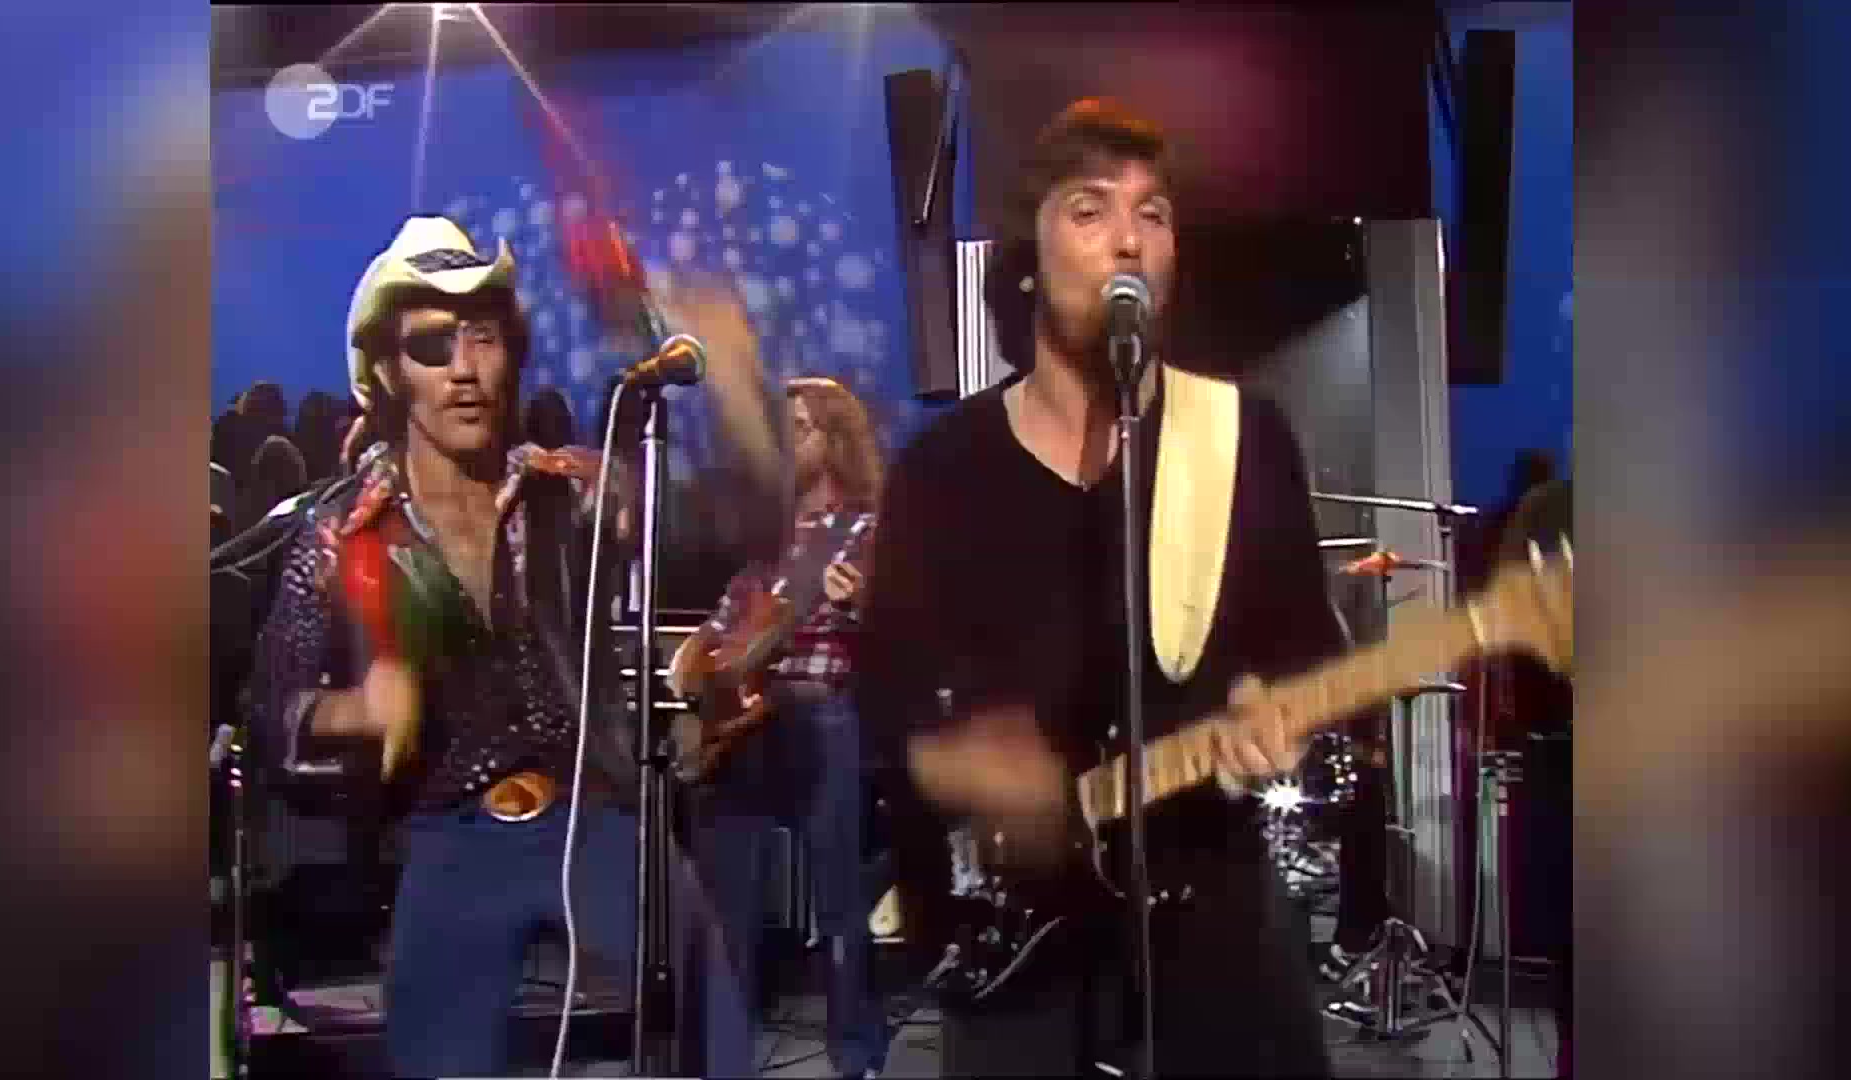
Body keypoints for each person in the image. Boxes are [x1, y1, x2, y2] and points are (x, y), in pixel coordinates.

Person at [854, 98, 1338, 1077]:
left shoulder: (1244, 440)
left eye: (1153, 213)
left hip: (1216, 928)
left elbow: (1304, 652)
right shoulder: (943, 473)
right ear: (1028, 257)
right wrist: (960, 763)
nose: (1128, 238)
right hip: (1019, 943)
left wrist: (1273, 705)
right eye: (1090, 208)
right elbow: (888, 700)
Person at [241, 215, 736, 1077]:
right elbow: (268, 711)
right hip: (448, 831)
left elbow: (715, 536)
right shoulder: (341, 532)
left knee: (707, 1006)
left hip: (591, 814)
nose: (464, 369)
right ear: (387, 372)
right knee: (437, 1055)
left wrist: (652, 461)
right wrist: (355, 709)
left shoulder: (565, 495)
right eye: (432, 346)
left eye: (483, 338)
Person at [668, 375, 893, 1080]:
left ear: (835, 439)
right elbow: (723, 622)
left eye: (800, 429)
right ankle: (721, 1055)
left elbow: (902, 631)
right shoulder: (769, 539)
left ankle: (856, 1055)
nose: (786, 443)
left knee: (838, 904)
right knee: (725, 902)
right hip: (746, 730)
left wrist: (859, 608)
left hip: (823, 716)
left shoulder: (866, 531)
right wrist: (694, 660)